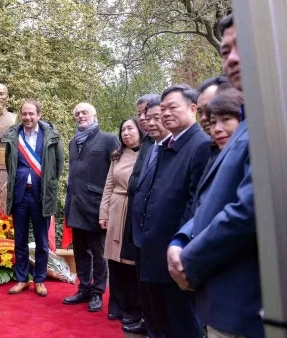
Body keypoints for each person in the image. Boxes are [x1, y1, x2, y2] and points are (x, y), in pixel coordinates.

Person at [168, 15, 263, 337]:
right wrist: (181, 238)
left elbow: (250, 207)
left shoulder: (270, 121)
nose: (233, 57)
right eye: (225, 51)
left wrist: (189, 259)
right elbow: (213, 201)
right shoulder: (249, 122)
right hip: (223, 304)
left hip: (249, 308)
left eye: (243, 46)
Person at [132, 84, 210, 337]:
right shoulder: (169, 146)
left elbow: (196, 204)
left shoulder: (200, 145)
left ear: (193, 108)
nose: (165, 114)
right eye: (161, 109)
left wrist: (180, 245)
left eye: (171, 108)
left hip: (176, 253)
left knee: (182, 323)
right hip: (153, 250)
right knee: (158, 320)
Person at [2, 99, 64, 297]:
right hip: (20, 195)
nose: (28, 117)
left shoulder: (50, 136)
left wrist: (48, 186)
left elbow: (58, 166)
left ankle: (39, 280)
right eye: (25, 114)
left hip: (41, 195)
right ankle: (22, 279)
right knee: (19, 240)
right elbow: (8, 164)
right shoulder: (14, 135)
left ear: (39, 115)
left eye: (31, 114)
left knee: (42, 241)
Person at [62, 102, 119, 311]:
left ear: (95, 115)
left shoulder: (109, 139)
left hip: (96, 207)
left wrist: (109, 207)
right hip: (75, 205)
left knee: (99, 252)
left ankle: (97, 292)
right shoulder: (73, 141)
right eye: (77, 113)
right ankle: (84, 289)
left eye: (84, 112)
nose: (80, 116)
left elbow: (115, 174)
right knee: (80, 251)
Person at [123, 97, 170, 336]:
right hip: (141, 225)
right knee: (146, 285)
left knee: (162, 294)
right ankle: (149, 324)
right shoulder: (150, 145)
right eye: (143, 115)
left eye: (152, 116)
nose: (146, 121)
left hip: (162, 232)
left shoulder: (171, 147)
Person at [99, 117, 145, 325]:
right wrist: (104, 213)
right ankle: (115, 305)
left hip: (135, 209)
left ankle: (133, 308)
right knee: (114, 260)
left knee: (131, 262)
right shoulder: (117, 155)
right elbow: (109, 185)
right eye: (123, 129)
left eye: (130, 128)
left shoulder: (149, 153)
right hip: (117, 208)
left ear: (140, 130)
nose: (126, 133)